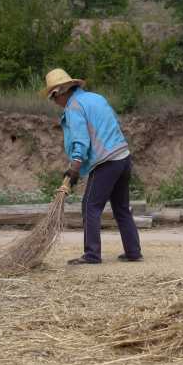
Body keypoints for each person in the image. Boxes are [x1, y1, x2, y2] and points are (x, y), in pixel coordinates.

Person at [40, 68, 143, 265]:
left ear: (62, 91)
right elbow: (113, 123)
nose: (54, 102)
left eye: (53, 96)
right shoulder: (97, 98)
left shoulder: (74, 107)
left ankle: (92, 255)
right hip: (123, 157)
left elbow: (81, 141)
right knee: (121, 207)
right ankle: (133, 251)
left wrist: (74, 169)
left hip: (106, 162)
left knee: (90, 206)